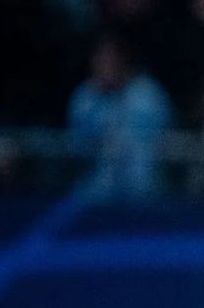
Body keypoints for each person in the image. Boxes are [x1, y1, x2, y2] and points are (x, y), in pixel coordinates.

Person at [68, 35, 172, 202]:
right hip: (94, 193)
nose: (104, 66)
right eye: (99, 60)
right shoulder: (85, 97)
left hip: (145, 193)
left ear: (123, 60)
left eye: (110, 59)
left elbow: (163, 144)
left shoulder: (147, 96)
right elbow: (76, 147)